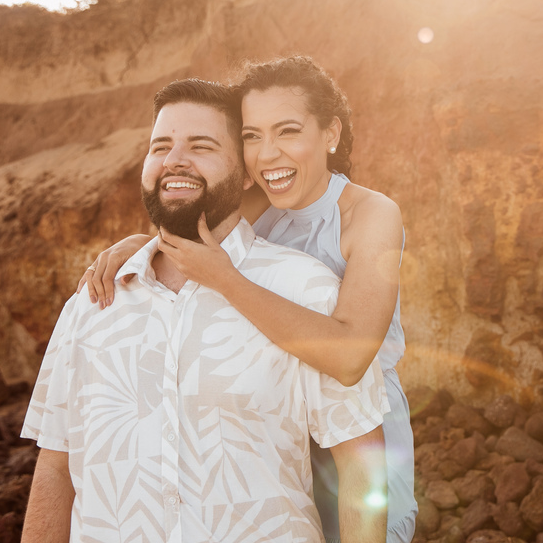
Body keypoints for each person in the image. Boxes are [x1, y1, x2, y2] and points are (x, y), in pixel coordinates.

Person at [22, 78, 388, 543]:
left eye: (201, 145)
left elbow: (362, 463)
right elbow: (55, 466)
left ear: (246, 173)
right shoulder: (91, 302)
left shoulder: (306, 291)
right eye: (161, 147)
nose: (175, 159)